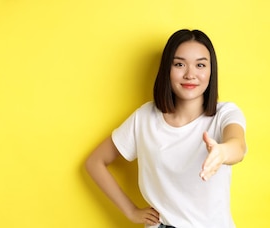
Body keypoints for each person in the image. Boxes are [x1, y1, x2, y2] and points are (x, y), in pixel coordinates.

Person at [85, 29, 247, 228]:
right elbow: (95, 162)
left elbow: (237, 146)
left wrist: (222, 152)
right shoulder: (144, 118)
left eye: (200, 65)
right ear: (166, 70)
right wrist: (131, 211)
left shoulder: (225, 114)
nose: (190, 74)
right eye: (179, 64)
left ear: (211, 71)